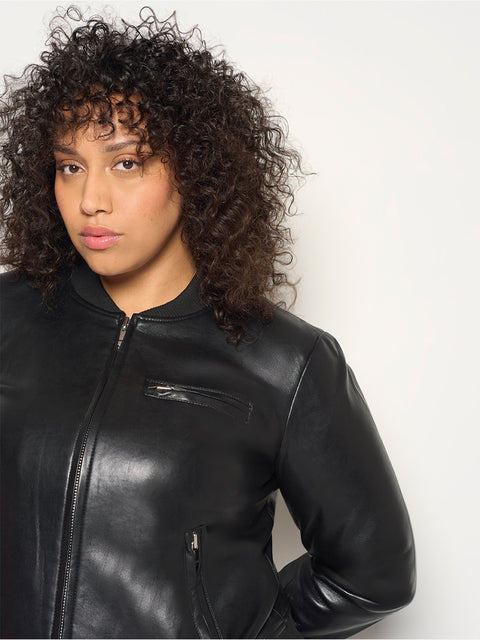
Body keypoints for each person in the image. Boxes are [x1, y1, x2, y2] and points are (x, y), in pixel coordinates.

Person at [0, 6, 415, 639]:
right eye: (70, 166)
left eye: (126, 163)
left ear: (193, 170)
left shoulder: (286, 363)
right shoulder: (9, 315)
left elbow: (373, 574)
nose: (90, 200)